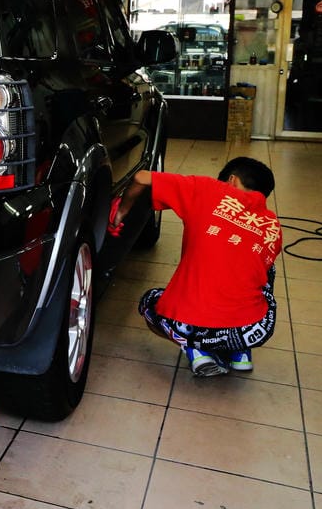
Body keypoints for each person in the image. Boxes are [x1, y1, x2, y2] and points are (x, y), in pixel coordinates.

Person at [113, 157, 282, 377]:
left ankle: (197, 351)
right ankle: (240, 353)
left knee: (150, 302)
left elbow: (141, 177)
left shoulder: (207, 189)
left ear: (231, 180)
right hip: (255, 328)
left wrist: (121, 211)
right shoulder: (272, 225)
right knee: (263, 270)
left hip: (191, 323)